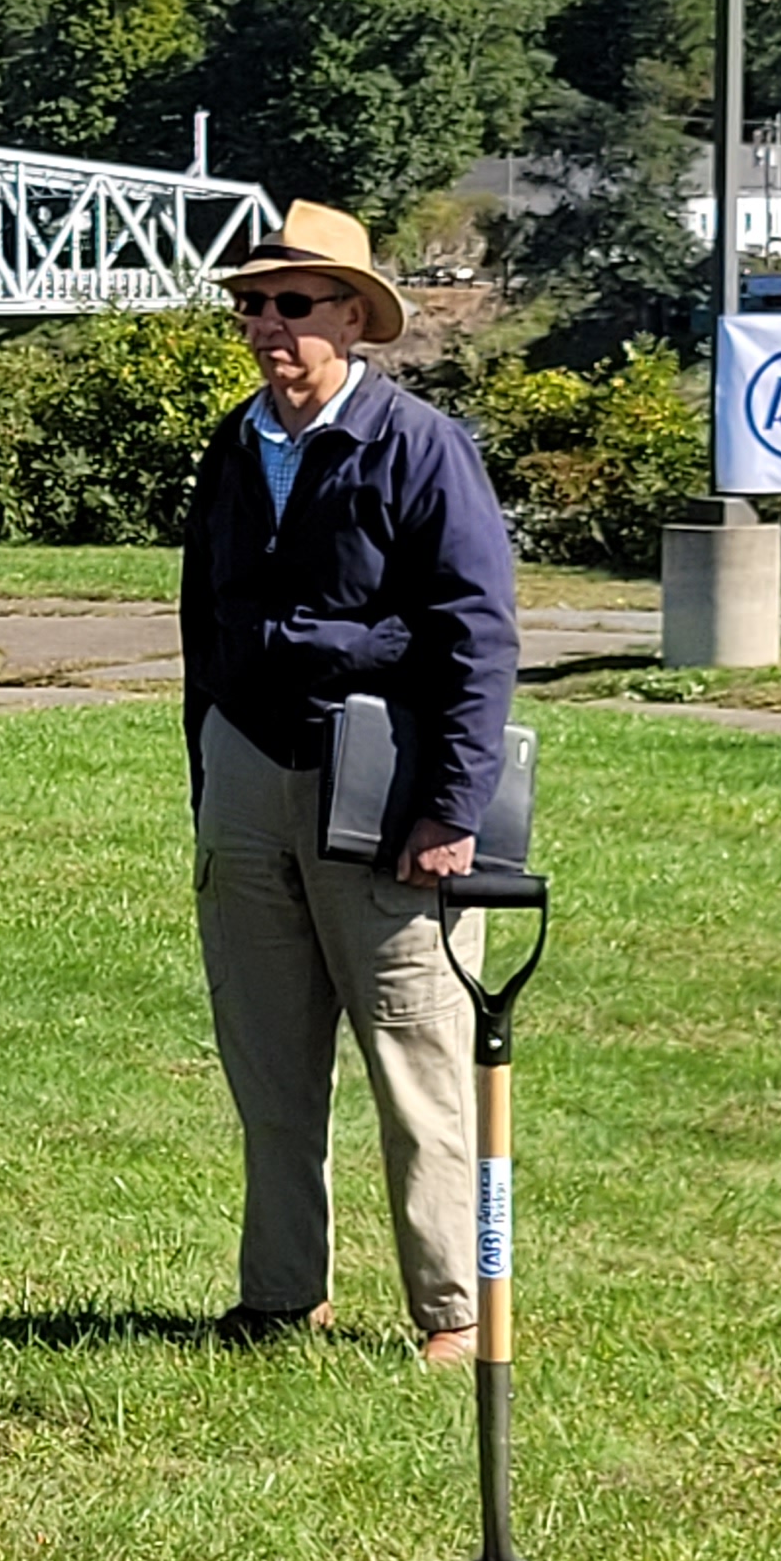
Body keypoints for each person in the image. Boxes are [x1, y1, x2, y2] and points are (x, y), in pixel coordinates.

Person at [178, 203, 521, 1365]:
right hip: (246, 773)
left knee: (419, 1064)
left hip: (384, 788)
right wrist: (205, 770)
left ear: (353, 319)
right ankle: (280, 1296)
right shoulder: (234, 447)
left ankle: (455, 1315)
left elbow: (477, 638)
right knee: (269, 1065)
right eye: (251, 305)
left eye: (294, 304)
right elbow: (202, 625)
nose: (267, 326)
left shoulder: (423, 447)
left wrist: (452, 808)